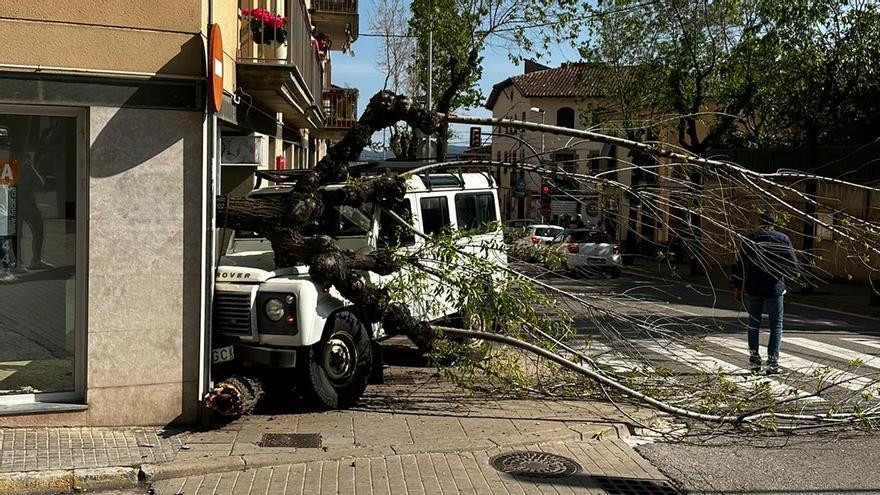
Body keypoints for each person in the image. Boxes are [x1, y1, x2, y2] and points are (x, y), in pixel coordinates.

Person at [732, 211, 798, 374]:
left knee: (753, 325)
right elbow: (793, 264)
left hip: (754, 286)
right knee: (776, 325)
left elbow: (740, 265)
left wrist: (738, 286)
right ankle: (772, 362)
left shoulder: (750, 239)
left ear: (759, 222)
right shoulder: (783, 239)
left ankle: (754, 361)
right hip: (774, 287)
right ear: (774, 223)